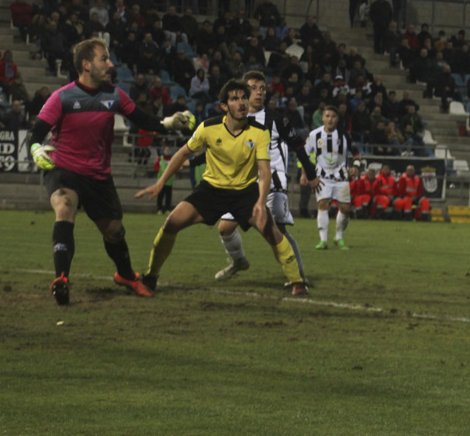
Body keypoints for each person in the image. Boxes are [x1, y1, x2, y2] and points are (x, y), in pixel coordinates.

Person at [28, 37, 192, 305]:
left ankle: (126, 276)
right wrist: (35, 149)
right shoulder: (62, 97)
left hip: (98, 177)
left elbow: (142, 120)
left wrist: (168, 122)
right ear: (86, 65)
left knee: (114, 232)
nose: (110, 63)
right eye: (103, 58)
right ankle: (61, 279)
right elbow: (35, 134)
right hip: (65, 170)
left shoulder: (114, 95)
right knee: (65, 206)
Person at [135, 80, 309, 296]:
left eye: (244, 97)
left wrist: (260, 200)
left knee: (271, 231)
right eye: (235, 98)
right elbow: (182, 154)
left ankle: (297, 282)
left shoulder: (259, 132)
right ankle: (151, 277)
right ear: (225, 106)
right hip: (211, 191)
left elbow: (264, 171)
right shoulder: (208, 128)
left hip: (245, 193)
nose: (242, 102)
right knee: (171, 223)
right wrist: (160, 182)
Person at [213, 71, 320, 286]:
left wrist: (310, 173)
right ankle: (239, 261)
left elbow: (298, 144)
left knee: (278, 230)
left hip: (272, 182)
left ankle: (299, 277)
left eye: (262, 88)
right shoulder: (233, 119)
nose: (259, 92)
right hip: (243, 184)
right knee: (224, 228)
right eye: (253, 88)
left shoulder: (277, 119)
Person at [304, 105, 354, 249]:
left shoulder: (344, 135)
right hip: (322, 176)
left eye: (333, 116)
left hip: (341, 176)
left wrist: (355, 166)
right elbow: (305, 155)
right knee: (322, 204)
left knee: (345, 208)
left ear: (337, 119)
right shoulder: (314, 135)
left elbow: (355, 152)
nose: (330, 119)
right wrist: (305, 174)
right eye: (327, 116)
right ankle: (323, 240)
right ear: (322, 118)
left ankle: (339, 237)